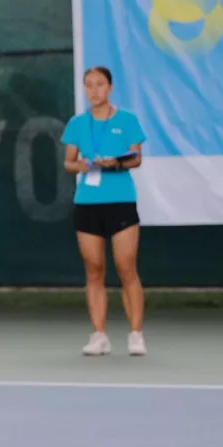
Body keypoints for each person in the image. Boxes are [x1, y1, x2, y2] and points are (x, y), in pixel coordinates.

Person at [61, 66, 146, 356]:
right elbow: (68, 162)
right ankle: (99, 335)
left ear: (110, 88)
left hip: (121, 202)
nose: (94, 90)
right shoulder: (77, 123)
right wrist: (83, 165)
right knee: (94, 269)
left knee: (126, 267)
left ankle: (136, 334)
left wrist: (116, 163)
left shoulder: (127, 120)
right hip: (87, 203)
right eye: (89, 85)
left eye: (99, 84)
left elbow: (136, 158)